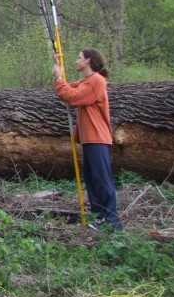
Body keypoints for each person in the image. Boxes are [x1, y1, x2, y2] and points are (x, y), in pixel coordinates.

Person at [53, 48, 123, 230]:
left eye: (79, 58)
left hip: (97, 138)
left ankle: (112, 222)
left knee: (102, 179)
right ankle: (101, 218)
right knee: (93, 179)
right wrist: (58, 68)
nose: (76, 61)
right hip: (89, 139)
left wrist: (59, 79)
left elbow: (71, 96)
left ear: (88, 61)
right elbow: (69, 89)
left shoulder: (96, 81)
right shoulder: (87, 81)